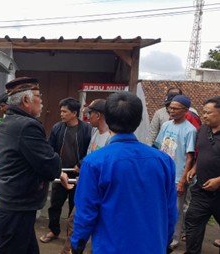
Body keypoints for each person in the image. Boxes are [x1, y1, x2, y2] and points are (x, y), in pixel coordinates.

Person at [71, 91, 178, 254]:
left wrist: (77, 245)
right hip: (153, 246)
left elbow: (85, 213)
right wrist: (165, 241)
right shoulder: (164, 161)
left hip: (111, 247)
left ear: (107, 118)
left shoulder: (95, 163)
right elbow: (170, 211)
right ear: (139, 120)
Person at [0, 77, 61, 254]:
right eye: (38, 96)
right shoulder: (27, 126)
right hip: (17, 208)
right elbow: (51, 166)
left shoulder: (9, 121)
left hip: (13, 204)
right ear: (26, 100)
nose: (42, 101)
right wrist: (54, 156)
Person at [61, 98, 111, 253]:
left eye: (90, 113)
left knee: (90, 226)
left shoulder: (110, 138)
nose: (88, 116)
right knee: (73, 222)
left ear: (99, 115)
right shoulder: (95, 132)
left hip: (98, 192)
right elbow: (90, 155)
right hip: (86, 188)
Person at [40, 97, 92, 243]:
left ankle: (72, 236)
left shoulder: (86, 129)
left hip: (77, 174)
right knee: (55, 204)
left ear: (74, 113)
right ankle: (53, 231)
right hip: (60, 172)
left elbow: (90, 150)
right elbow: (50, 148)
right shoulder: (58, 127)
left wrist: (81, 164)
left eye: (64, 111)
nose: (61, 114)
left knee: (74, 206)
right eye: (61, 111)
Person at [155, 94, 197, 249]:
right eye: (170, 108)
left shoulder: (190, 130)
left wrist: (182, 180)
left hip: (177, 176)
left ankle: (173, 240)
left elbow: (189, 157)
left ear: (185, 110)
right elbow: (159, 148)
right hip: (162, 174)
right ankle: (161, 234)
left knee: (176, 210)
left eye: (175, 108)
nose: (171, 110)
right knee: (161, 206)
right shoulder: (166, 125)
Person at [185, 96, 220, 254]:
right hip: (202, 190)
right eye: (203, 112)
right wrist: (195, 168)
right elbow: (204, 153)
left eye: (208, 113)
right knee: (192, 223)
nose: (204, 115)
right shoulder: (203, 130)